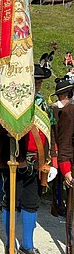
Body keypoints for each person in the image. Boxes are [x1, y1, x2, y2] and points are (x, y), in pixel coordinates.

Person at [0, 64, 53, 254]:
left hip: (37, 162)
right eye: (34, 81)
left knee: (31, 205)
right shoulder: (11, 101)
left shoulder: (42, 104)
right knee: (11, 204)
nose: (38, 84)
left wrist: (49, 159)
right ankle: (11, 245)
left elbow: (49, 134)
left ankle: (27, 245)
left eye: (39, 81)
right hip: (15, 161)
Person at [50, 78, 73, 217]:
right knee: (57, 182)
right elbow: (55, 134)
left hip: (64, 149)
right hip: (59, 149)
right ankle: (57, 205)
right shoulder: (58, 110)